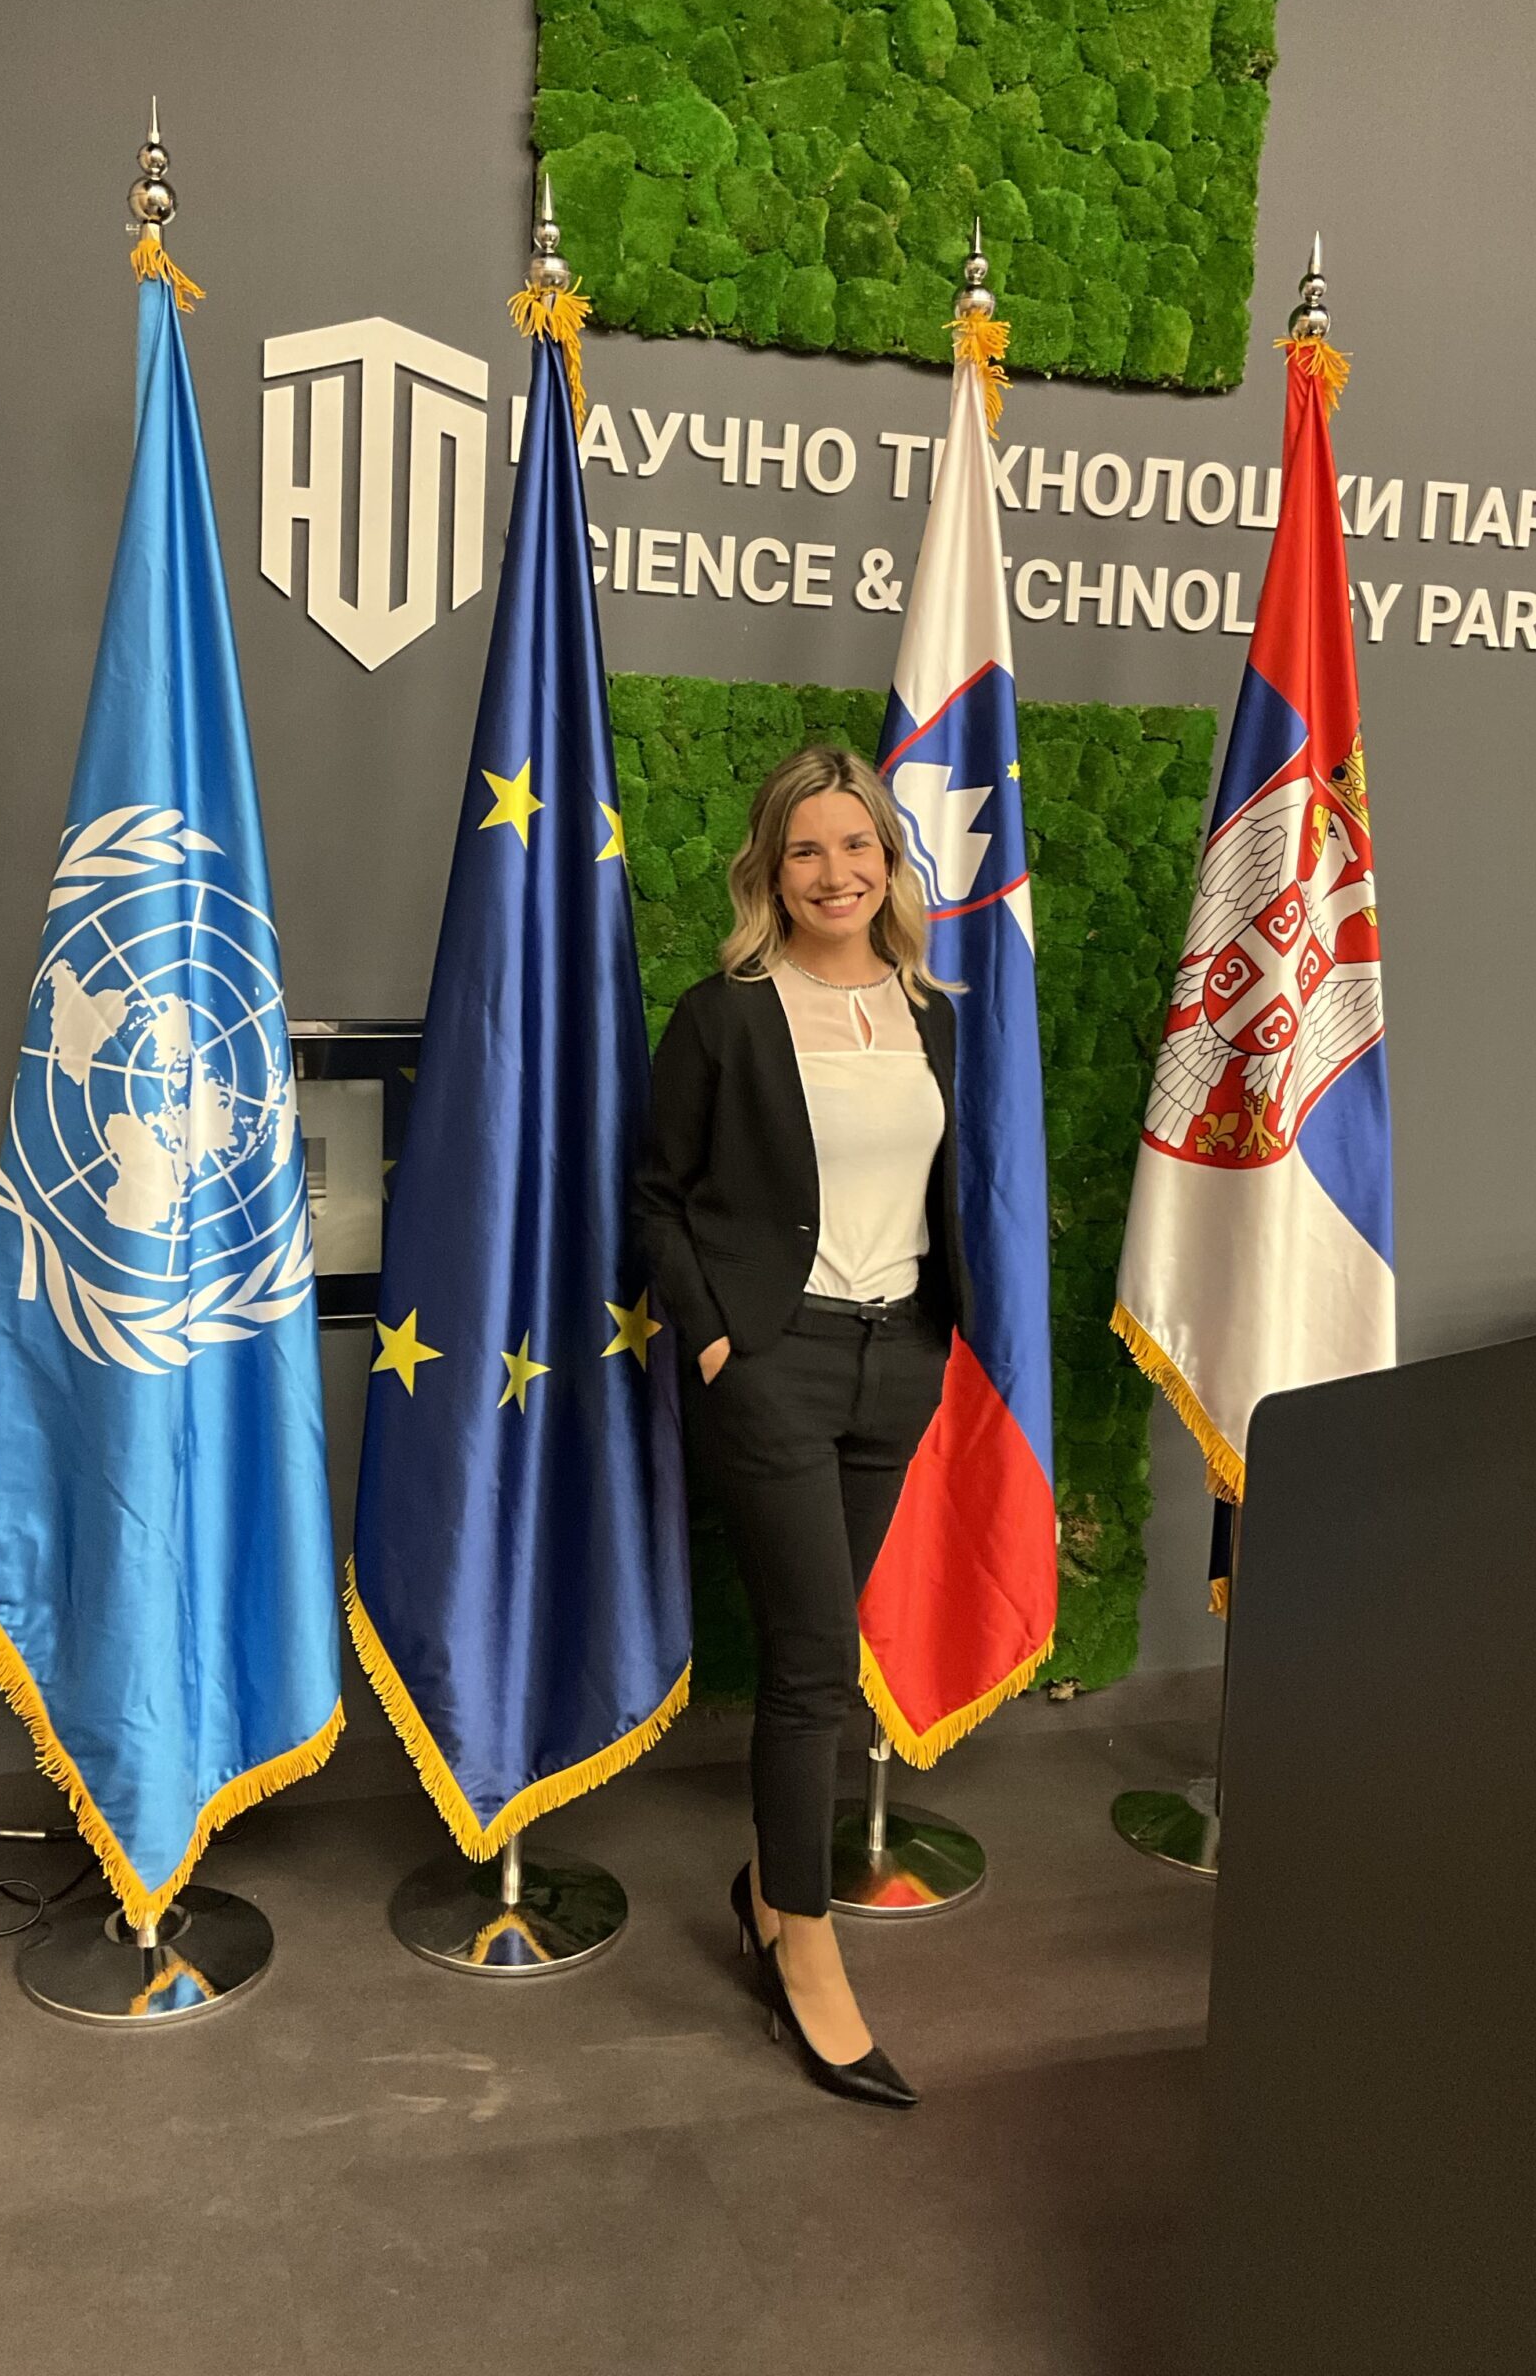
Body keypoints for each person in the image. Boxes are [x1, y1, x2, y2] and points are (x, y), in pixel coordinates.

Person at [634, 744, 969, 2109]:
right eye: (807, 850)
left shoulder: (931, 1012)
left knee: (812, 1654)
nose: (837, 873)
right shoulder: (724, 1014)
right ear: (770, 872)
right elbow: (657, 1193)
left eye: (858, 846)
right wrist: (720, 1339)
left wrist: (940, 1339)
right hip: (774, 1364)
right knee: (816, 1659)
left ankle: (769, 1886)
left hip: (900, 1363)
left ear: (891, 862)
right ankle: (806, 1949)